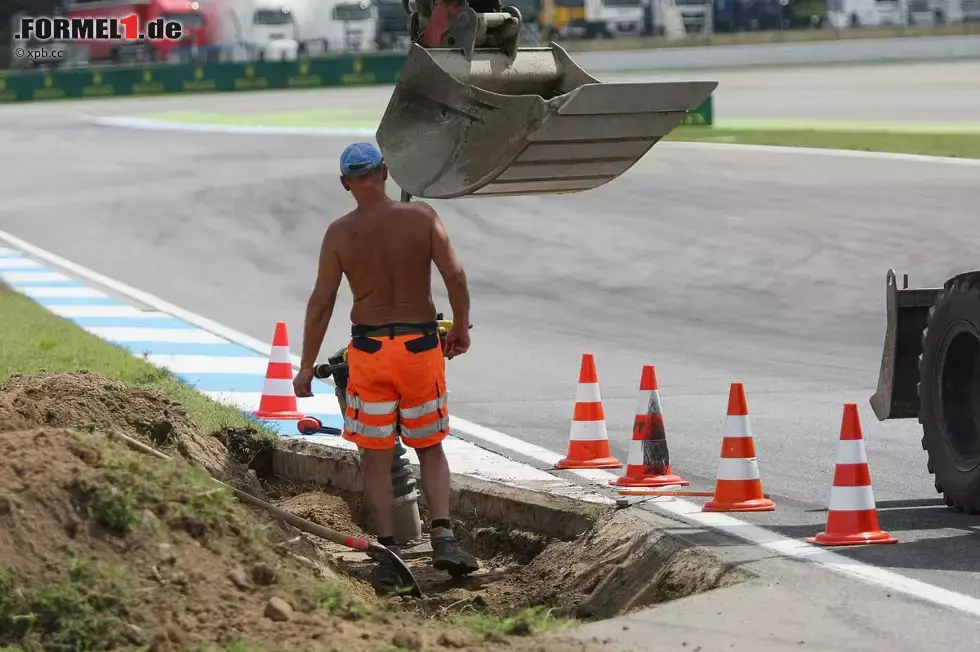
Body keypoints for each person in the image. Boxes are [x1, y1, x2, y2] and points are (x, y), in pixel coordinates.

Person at [293, 141, 480, 590]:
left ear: (345, 184)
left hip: (371, 355)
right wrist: (462, 330)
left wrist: (304, 368)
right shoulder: (421, 218)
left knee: (376, 458)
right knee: (429, 446)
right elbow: (455, 276)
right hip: (420, 351)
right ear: (385, 173)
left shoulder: (339, 233)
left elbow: (322, 303)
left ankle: (387, 553)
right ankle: (443, 537)